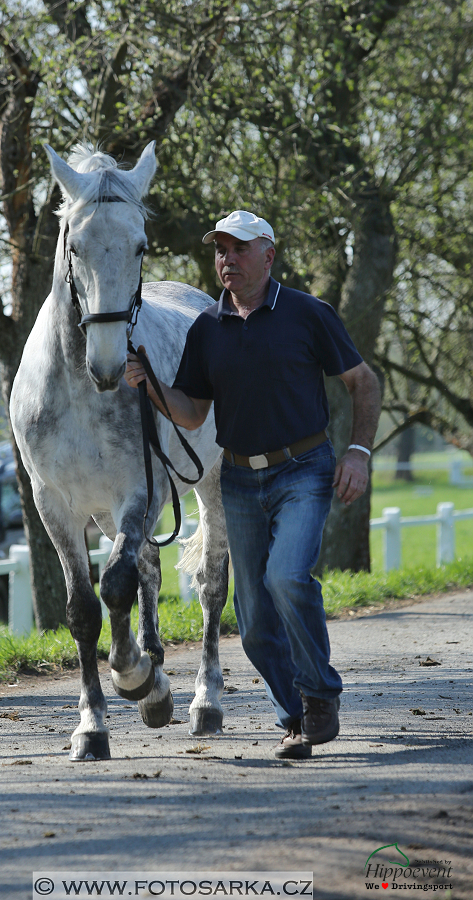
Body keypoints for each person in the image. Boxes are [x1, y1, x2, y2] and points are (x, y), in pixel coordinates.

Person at [125, 209, 381, 760]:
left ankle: (319, 697)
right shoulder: (206, 329)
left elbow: (363, 381)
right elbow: (192, 414)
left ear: (269, 253)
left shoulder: (307, 314)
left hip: (304, 470)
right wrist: (151, 385)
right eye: (220, 249)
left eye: (239, 249)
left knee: (287, 578)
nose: (227, 259)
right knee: (254, 620)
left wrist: (359, 453)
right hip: (240, 479)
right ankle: (294, 716)